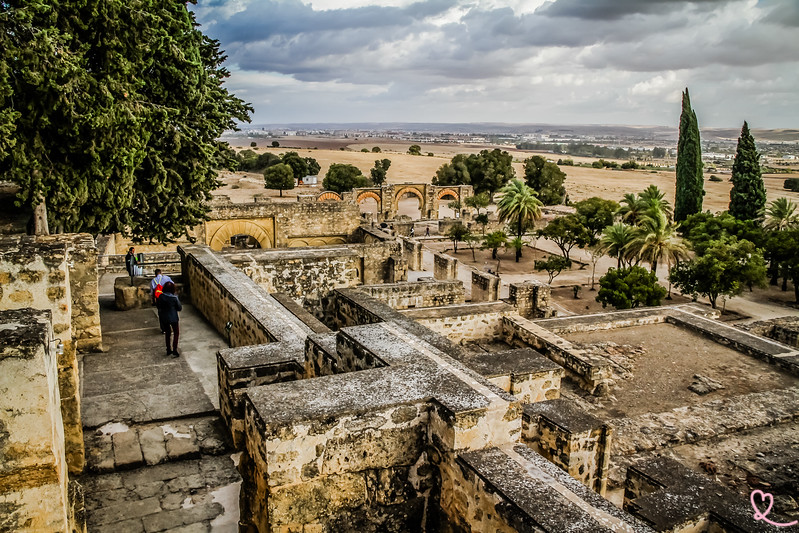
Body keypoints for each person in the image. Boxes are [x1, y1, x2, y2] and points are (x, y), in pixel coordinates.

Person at [156, 281, 182, 357]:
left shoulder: (161, 296)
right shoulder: (174, 297)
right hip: (173, 317)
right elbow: (179, 307)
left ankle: (168, 349)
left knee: (167, 333)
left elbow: (158, 306)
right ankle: (174, 349)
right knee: (176, 333)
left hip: (164, 317)